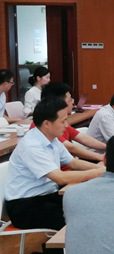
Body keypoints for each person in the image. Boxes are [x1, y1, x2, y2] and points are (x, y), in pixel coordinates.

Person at [4, 97, 105, 230]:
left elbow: (72, 163)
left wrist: (100, 167)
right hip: (25, 206)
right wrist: (97, 172)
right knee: (79, 218)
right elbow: (60, 177)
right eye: (63, 121)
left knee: (88, 204)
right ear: (47, 123)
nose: (66, 125)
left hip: (46, 195)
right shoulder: (31, 146)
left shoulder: (52, 139)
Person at [39, 82, 106, 162]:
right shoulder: (46, 127)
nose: (73, 103)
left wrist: (108, 147)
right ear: (60, 103)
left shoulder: (62, 121)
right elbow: (72, 148)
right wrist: (100, 157)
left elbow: (82, 138)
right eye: (70, 100)